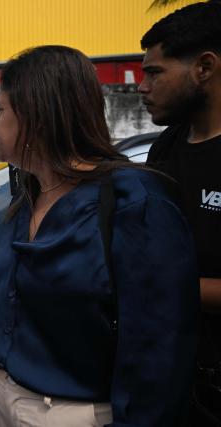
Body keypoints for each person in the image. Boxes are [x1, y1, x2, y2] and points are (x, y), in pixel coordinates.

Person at [0, 46, 199, 427]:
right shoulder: (28, 191)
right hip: (2, 401)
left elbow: (159, 353)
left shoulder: (134, 204)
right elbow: (19, 294)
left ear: (36, 117)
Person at [139, 2, 221, 424]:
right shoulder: (165, 148)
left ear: (204, 67)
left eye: (154, 73)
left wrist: (156, 285)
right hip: (172, 381)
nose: (141, 86)